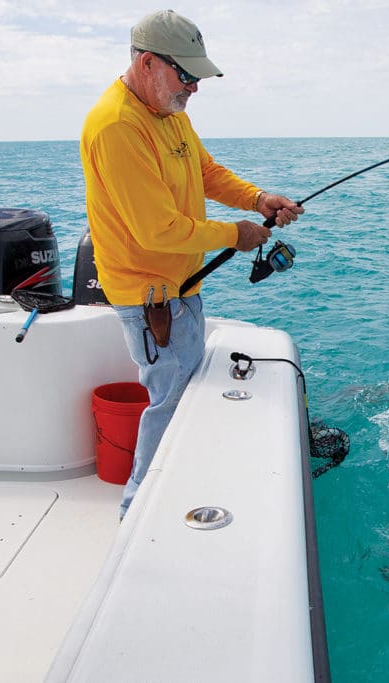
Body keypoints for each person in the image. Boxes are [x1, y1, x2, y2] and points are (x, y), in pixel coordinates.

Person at [80, 9, 304, 518]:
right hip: (150, 300)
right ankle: (137, 513)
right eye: (186, 75)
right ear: (146, 63)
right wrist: (238, 235)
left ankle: (164, 496)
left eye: (197, 77)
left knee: (181, 396)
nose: (194, 88)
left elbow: (205, 171)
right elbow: (155, 230)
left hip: (182, 287)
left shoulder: (169, 112)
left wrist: (258, 199)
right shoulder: (118, 125)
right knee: (169, 405)